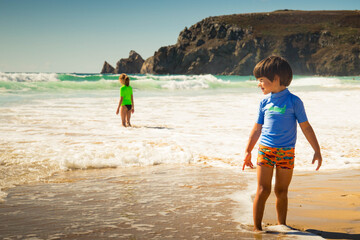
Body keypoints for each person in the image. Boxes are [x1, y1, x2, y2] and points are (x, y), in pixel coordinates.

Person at [242, 56, 322, 231]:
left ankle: (282, 226)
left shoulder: (294, 101)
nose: (259, 84)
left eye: (261, 80)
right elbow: (256, 129)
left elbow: (306, 127)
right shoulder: (264, 102)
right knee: (263, 190)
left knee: (281, 191)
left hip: (286, 152)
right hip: (266, 151)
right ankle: (257, 228)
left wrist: (317, 150)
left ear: (276, 78)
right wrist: (248, 151)